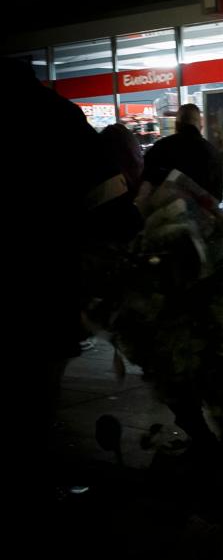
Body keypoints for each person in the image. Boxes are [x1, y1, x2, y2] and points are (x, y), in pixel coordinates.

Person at [3, 57, 130, 504]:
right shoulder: (57, 115)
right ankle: (34, 473)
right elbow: (106, 196)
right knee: (40, 378)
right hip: (44, 271)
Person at [139, 103, 223, 203]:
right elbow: (218, 196)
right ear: (200, 126)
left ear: (176, 125)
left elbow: (145, 183)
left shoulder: (160, 148)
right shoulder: (212, 152)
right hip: (201, 217)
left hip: (165, 216)